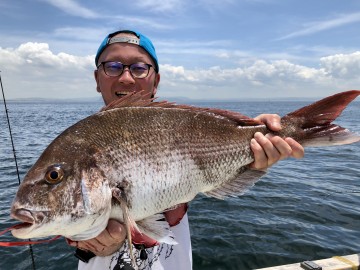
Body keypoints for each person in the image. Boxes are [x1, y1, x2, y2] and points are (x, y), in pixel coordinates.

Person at [66, 29, 304, 270]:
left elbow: (183, 190)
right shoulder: (77, 145)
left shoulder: (175, 128)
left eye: (139, 68)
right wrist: (83, 241)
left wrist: (255, 137)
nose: (126, 78)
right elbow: (67, 216)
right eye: (113, 66)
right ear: (97, 78)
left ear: (156, 81)